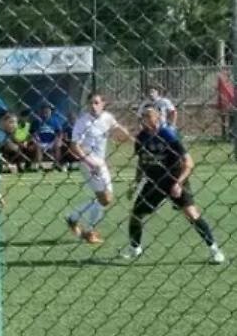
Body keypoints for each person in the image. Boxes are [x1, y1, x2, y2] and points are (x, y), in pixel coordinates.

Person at [121, 107, 225, 264]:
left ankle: (214, 250)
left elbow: (189, 163)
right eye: (142, 117)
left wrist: (178, 183)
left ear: (157, 119)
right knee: (136, 215)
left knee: (191, 214)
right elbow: (142, 163)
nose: (143, 120)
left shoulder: (168, 135)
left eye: (147, 116)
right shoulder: (141, 138)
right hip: (154, 183)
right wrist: (136, 183)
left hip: (173, 180)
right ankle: (135, 248)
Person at [65, 94, 131, 245]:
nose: (93, 106)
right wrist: (89, 162)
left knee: (105, 198)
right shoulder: (82, 122)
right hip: (88, 162)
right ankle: (89, 231)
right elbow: (74, 146)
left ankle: (73, 217)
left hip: (100, 163)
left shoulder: (107, 117)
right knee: (105, 198)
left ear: (103, 104)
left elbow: (117, 130)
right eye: (91, 103)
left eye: (96, 103)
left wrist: (125, 134)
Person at [34, 103, 66, 170]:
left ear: (51, 111)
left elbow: (60, 132)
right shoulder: (37, 121)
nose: (46, 112)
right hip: (41, 141)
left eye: (48, 110)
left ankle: (57, 163)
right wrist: (36, 138)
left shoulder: (55, 120)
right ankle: (39, 165)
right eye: (44, 110)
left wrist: (59, 139)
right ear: (41, 111)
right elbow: (34, 132)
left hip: (52, 141)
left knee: (57, 146)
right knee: (38, 146)